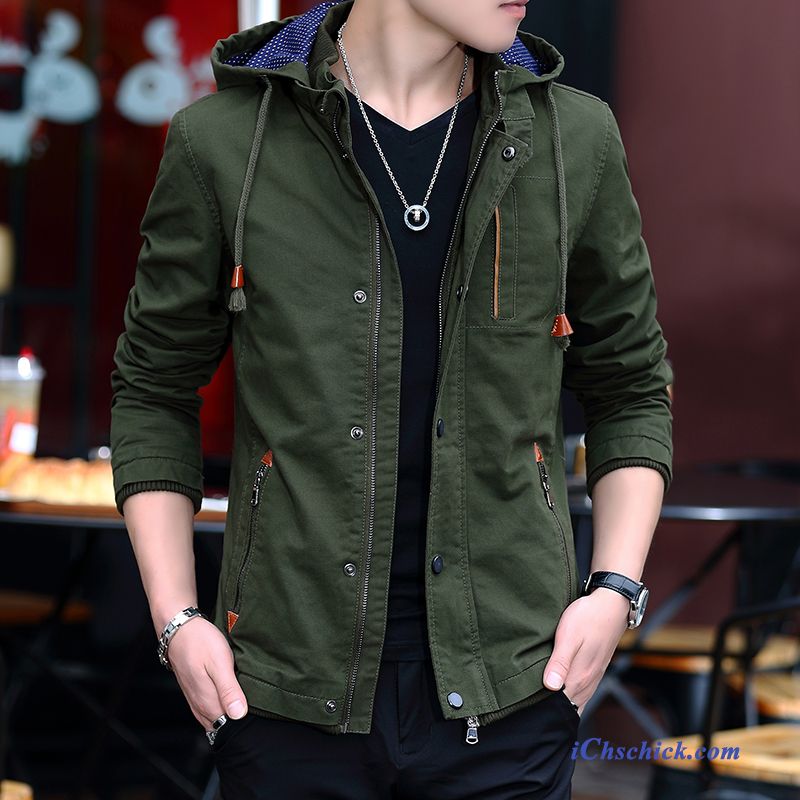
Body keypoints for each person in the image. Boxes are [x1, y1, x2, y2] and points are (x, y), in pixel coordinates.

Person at [109, 0, 672, 797]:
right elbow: (154, 388)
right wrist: (177, 621)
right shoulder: (226, 141)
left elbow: (632, 386)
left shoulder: (572, 138)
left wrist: (615, 591)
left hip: (514, 689)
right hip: (284, 695)